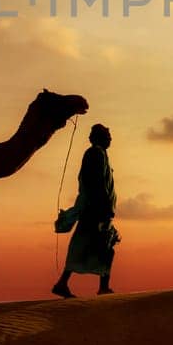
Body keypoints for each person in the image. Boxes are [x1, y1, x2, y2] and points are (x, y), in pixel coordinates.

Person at [52, 123, 118, 298]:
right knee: (99, 246)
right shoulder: (95, 154)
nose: (110, 139)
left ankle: (64, 283)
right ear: (99, 138)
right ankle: (100, 287)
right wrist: (103, 208)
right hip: (95, 210)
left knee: (100, 246)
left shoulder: (100, 154)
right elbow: (96, 183)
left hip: (97, 209)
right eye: (107, 136)